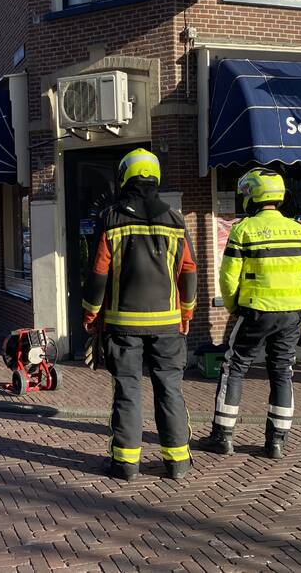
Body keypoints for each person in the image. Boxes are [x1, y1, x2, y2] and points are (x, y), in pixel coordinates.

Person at [82, 148, 197, 482]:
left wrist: (91, 315)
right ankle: (178, 463)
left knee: (128, 391)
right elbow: (188, 271)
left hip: (122, 325)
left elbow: (98, 273)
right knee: (170, 390)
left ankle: (125, 465)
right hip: (168, 325)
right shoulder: (176, 220)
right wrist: (185, 313)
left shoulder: (112, 218)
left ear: (124, 177)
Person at [198, 167, 301, 460]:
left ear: (253, 195)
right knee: (282, 372)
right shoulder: (300, 231)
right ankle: (276, 442)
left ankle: (223, 436)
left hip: (255, 311)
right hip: (292, 313)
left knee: (234, 367)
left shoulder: (243, 229)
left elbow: (228, 276)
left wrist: (232, 306)